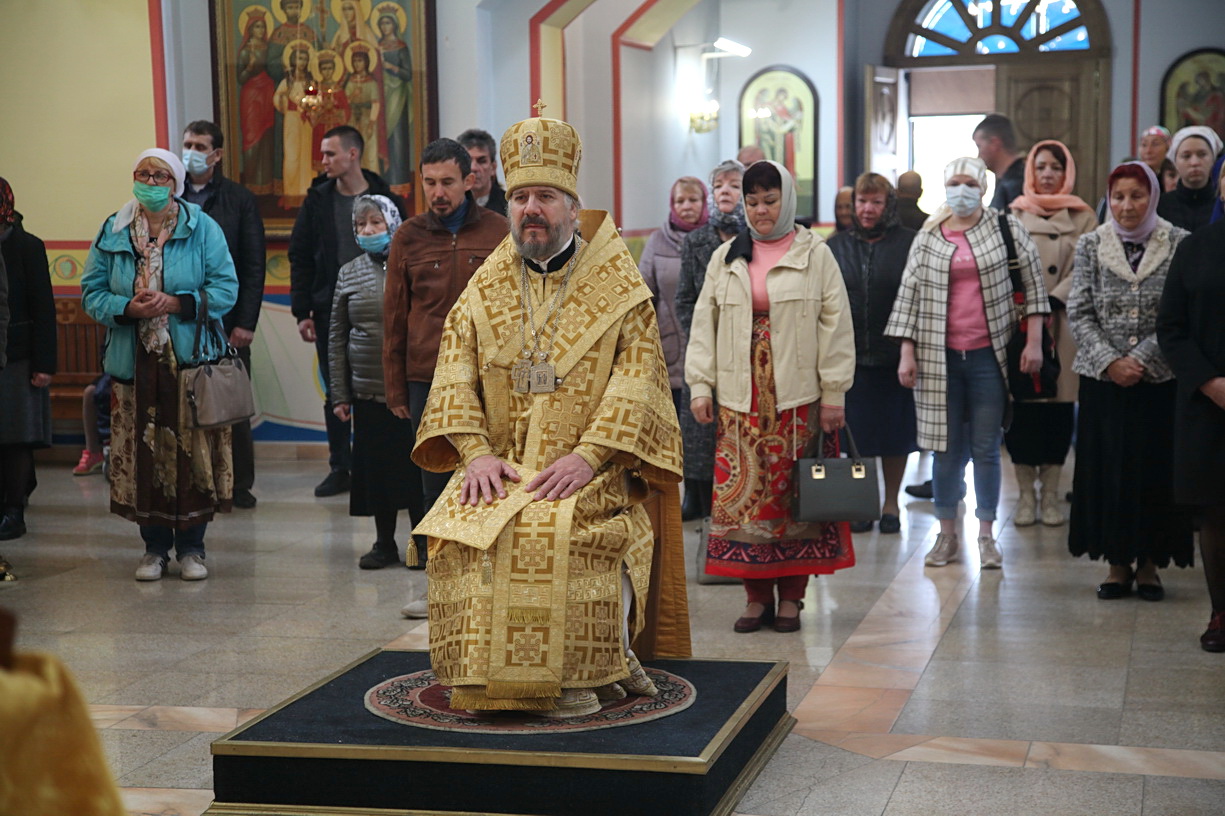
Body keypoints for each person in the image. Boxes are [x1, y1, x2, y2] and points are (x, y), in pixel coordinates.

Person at [410, 112, 688, 718]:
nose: (531, 209)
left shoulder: (619, 288)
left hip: (591, 469)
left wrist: (587, 458)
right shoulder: (484, 289)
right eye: (521, 197)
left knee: (553, 530)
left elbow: (638, 383)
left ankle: (578, 676)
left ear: (570, 204)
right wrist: (476, 453)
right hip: (501, 466)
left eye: (545, 197)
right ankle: (482, 680)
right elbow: (453, 371)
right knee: (459, 534)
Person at [687, 159, 855, 633]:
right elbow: (705, 324)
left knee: (792, 501)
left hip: (797, 398)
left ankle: (793, 599)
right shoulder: (727, 257)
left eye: (770, 199)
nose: (761, 210)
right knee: (744, 505)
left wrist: (834, 393)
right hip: (740, 399)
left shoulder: (814, 253)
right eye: (753, 201)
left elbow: (836, 325)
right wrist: (701, 385)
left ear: (787, 201)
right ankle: (755, 598)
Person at [80, 149, 238, 581]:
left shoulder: (201, 227)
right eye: (142, 174)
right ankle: (153, 550)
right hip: (133, 362)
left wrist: (176, 302)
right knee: (141, 454)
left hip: (187, 363)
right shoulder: (112, 229)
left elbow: (226, 289)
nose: (150, 182)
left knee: (192, 455)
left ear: (176, 183)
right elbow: (91, 292)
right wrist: (126, 307)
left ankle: (192, 548)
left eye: (160, 175)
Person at [885, 157, 1048, 569]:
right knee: (944, 450)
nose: (962, 189)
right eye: (954, 182)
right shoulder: (929, 236)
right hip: (938, 358)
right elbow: (909, 296)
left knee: (987, 448)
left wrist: (1033, 344)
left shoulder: (1006, 228)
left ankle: (987, 535)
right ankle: (947, 535)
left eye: (969, 182)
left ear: (982, 186)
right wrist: (907, 353)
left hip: (988, 356)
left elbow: (1034, 287)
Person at [382, 138, 508, 579]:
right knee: (433, 475)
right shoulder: (408, 236)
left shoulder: (498, 231)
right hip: (426, 375)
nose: (439, 192)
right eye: (430, 182)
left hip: (488, 375)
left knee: (487, 467)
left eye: (448, 182)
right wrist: (396, 387)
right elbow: (395, 315)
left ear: (469, 180)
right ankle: (440, 573)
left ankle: (483, 565)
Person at [1068, 161, 1192, 601]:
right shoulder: (1090, 244)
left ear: (1153, 197)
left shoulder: (1178, 242)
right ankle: (1116, 563)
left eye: (1137, 196)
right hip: (1104, 380)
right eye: (1119, 196)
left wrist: (1139, 358)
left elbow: (1182, 313)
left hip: (1159, 379)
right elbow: (1079, 311)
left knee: (1154, 469)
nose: (1127, 206)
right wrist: (1111, 361)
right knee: (1110, 467)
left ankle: (1151, 565)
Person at [289, 125, 405, 498]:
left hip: (383, 308)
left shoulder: (385, 197)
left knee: (385, 388)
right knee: (335, 387)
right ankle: (340, 465)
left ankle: (390, 463)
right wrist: (301, 309)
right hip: (328, 306)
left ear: (352, 155)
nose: (323, 161)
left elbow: (405, 248)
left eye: (330, 154)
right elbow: (301, 255)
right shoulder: (318, 200)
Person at [1004, 140, 1098, 526]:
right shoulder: (1011, 215)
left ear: (1066, 172)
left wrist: (1053, 300)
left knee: (1059, 410)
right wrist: (1029, 306)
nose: (1047, 174)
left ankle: (1052, 496)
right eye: (1040, 167)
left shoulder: (1084, 216)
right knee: (1022, 410)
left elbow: (1087, 266)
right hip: (1019, 322)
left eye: (1055, 167)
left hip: (1064, 322)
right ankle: (1026, 495)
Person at [181, 120, 267, 510]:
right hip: (182, 322)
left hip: (228, 322)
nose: (191, 152)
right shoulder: (172, 195)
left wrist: (246, 322)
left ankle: (238, 485)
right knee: (187, 403)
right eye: (186, 144)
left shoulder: (239, 199)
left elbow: (252, 264)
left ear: (216, 155)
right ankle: (194, 481)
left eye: (200, 146)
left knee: (229, 403)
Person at [328, 195, 416, 570]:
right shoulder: (348, 272)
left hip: (411, 389)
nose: (367, 231)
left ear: (393, 224)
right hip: (366, 390)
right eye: (361, 225)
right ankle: (383, 544)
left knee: (415, 470)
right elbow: (336, 335)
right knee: (376, 471)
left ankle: (423, 543)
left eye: (375, 224)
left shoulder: (412, 265)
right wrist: (339, 393)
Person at [827, 172, 917, 534]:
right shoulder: (835, 245)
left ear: (888, 205)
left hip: (895, 356)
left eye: (875, 202)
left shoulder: (910, 242)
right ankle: (862, 503)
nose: (866, 209)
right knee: (857, 437)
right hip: (851, 358)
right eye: (860, 202)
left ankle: (891, 504)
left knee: (895, 436)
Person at [1157, 213, 1225, 650]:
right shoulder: (1196, 248)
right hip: (1210, 400)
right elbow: (1171, 327)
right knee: (1217, 512)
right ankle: (1221, 612)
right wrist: (1210, 382)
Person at [675, 159, 745, 520]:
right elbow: (683, 298)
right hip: (705, 353)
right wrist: (703, 336)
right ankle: (700, 504)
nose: (726, 191)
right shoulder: (696, 240)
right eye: (719, 186)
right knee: (700, 436)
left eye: (734, 185)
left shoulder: (756, 237)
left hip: (748, 353)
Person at [0, 178, 54, 541]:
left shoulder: (27, 246)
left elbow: (44, 308)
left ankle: (14, 511)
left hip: (17, 356)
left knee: (16, 437)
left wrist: (44, 364)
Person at [638, 176, 708, 418]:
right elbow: (644, 293)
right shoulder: (658, 241)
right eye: (680, 201)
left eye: (693, 200)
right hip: (670, 348)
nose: (686, 206)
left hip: (710, 346)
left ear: (704, 202)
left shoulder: (715, 239)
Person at [272, 41, 317, 204]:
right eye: (299, 58)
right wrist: (286, 100)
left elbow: (315, 99)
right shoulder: (287, 81)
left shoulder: (310, 81)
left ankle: (305, 192)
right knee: (292, 156)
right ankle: (290, 193)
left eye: (305, 59)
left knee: (306, 155)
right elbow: (277, 98)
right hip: (291, 119)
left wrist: (309, 106)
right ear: (292, 60)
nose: (302, 62)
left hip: (306, 121)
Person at [236, 8, 275, 193]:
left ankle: (265, 184)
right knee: (252, 137)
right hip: (251, 96)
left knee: (266, 137)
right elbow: (241, 78)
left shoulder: (269, 49)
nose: (260, 30)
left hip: (267, 92)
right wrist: (250, 68)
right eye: (257, 27)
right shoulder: (246, 51)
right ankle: (251, 182)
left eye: (263, 27)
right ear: (250, 29)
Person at [1158, 126, 1224, 232]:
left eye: (1202, 154)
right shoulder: (1160, 206)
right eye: (1186, 156)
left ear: (1213, 159)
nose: (1194, 162)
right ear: (1175, 162)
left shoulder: (1221, 204)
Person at [376, 7, 412, 186]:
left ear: (395, 25)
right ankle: (382, 181)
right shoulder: (376, 47)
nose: (385, 26)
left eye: (388, 22)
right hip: (379, 96)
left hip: (396, 96)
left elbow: (407, 74)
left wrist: (388, 66)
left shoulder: (401, 47)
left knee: (397, 138)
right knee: (381, 138)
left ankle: (399, 181)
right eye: (382, 23)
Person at [974, 114, 1025, 210]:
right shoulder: (1009, 181)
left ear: (995, 143)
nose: (978, 156)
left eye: (979, 146)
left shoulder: (1014, 185)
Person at [457, 128, 507, 216]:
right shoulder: (449, 205)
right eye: (467, 161)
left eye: (481, 161)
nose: (473, 168)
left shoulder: (509, 207)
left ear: (493, 168)